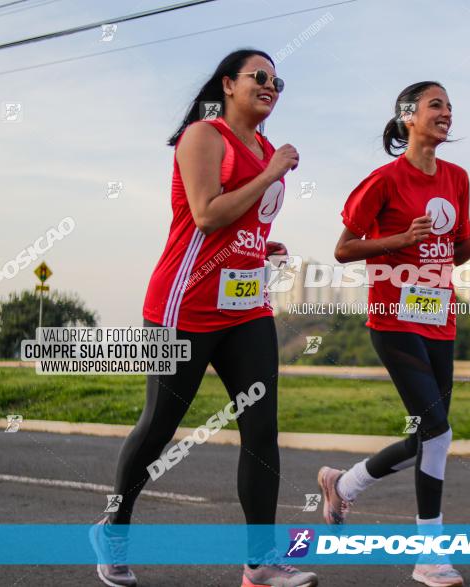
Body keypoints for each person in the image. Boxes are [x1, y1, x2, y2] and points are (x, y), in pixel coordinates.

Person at [88, 49, 318, 587]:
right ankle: (114, 529)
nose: (270, 85)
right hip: (182, 306)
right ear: (229, 85)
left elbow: (235, 223)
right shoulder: (204, 136)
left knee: (261, 431)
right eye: (258, 77)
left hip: (245, 307)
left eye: (277, 80)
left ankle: (260, 563)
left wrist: (259, 245)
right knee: (159, 427)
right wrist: (270, 173)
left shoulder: (262, 147)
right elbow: (206, 212)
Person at [317, 81, 470, 587]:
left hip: (440, 318)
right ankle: (429, 556)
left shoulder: (457, 178)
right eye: (436, 105)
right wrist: (400, 239)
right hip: (394, 319)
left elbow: (453, 254)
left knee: (427, 437)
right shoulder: (384, 180)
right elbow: (344, 248)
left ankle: (342, 484)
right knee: (438, 434)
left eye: (450, 107)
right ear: (407, 116)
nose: (446, 113)